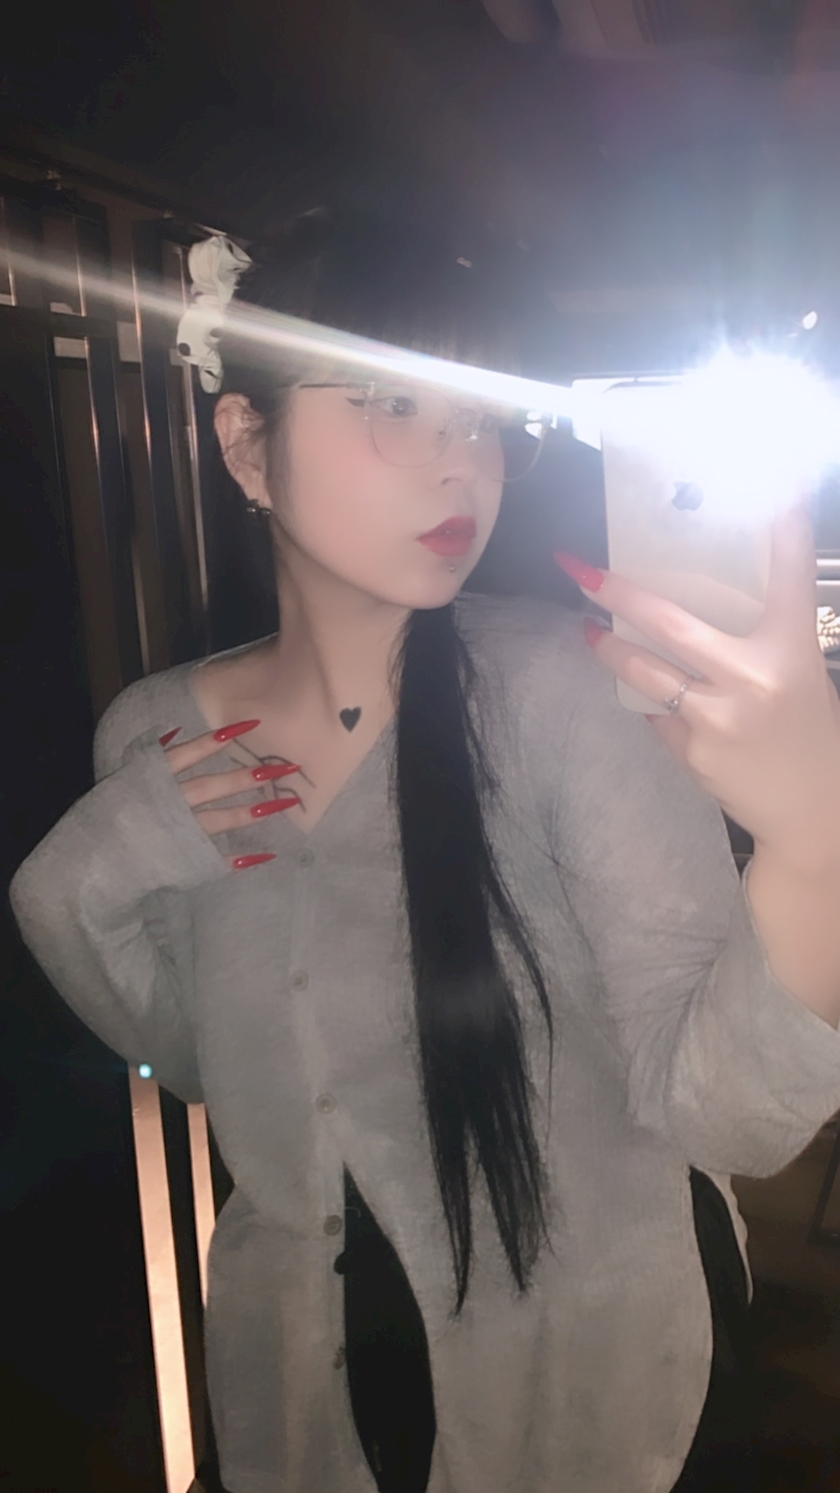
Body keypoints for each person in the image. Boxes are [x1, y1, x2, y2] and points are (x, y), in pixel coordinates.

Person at [10, 208, 840, 1493]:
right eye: (395, 405)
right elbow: (196, 1057)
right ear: (246, 444)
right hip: (302, 1399)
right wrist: (73, 878)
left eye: (483, 418)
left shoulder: (565, 691)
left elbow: (720, 1107)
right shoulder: (158, 741)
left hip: (596, 1391)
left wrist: (818, 838)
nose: (465, 467)